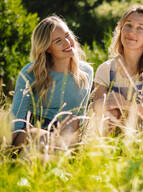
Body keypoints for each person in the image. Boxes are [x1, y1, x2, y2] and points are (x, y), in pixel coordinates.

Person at [11, 15, 94, 147]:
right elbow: (17, 116)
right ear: (48, 48)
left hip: (66, 131)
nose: (67, 42)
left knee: (72, 121)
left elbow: (81, 115)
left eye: (67, 35)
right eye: (58, 41)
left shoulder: (86, 72)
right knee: (42, 139)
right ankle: (56, 151)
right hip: (33, 128)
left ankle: (57, 151)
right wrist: (6, 149)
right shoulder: (30, 73)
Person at [92, 5, 143, 126]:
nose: (132, 32)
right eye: (128, 25)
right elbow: (96, 109)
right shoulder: (105, 69)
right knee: (111, 112)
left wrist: (123, 103)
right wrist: (106, 104)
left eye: (140, 28)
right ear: (121, 29)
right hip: (111, 135)